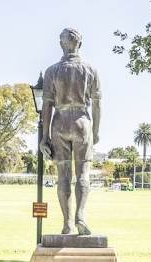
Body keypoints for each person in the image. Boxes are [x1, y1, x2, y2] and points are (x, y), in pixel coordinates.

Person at [37, 27, 102, 238]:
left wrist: (44, 137)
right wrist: (96, 131)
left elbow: (46, 105)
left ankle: (67, 223)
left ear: (61, 45)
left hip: (60, 123)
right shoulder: (90, 69)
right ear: (79, 45)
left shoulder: (52, 71)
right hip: (82, 122)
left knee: (63, 176)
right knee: (82, 173)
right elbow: (97, 105)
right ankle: (80, 215)